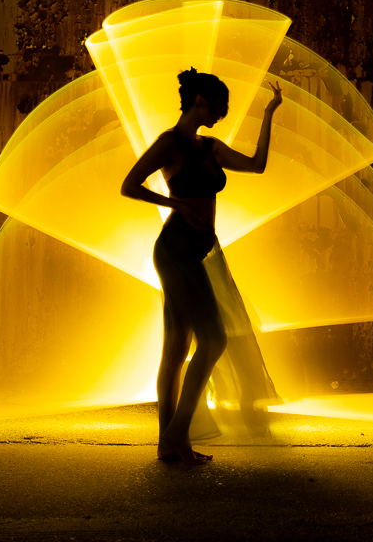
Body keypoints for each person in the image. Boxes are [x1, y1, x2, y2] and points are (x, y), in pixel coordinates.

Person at [121, 69, 283, 464]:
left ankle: (172, 445)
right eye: (219, 105)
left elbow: (258, 165)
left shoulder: (209, 148)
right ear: (199, 101)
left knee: (177, 348)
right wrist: (175, 204)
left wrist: (269, 113)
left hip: (199, 249)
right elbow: (129, 185)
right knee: (213, 340)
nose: (223, 112)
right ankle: (174, 437)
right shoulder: (170, 144)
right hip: (175, 249)